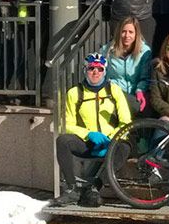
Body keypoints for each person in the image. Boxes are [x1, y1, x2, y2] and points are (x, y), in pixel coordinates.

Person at [55, 52, 132, 206]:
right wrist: (88, 134)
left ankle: (94, 186)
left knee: (125, 147)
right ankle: (71, 189)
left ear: (105, 71)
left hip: (110, 141)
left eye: (100, 69)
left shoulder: (114, 91)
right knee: (62, 141)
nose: (95, 72)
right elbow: (66, 125)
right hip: (87, 142)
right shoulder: (74, 93)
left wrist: (110, 138)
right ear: (85, 70)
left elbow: (126, 122)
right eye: (91, 68)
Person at [106, 17, 152, 114]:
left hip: (135, 93)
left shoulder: (144, 51)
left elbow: (145, 77)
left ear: (136, 34)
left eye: (131, 32)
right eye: (123, 31)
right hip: (115, 93)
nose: (127, 35)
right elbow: (103, 75)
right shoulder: (107, 51)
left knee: (140, 108)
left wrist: (140, 90)